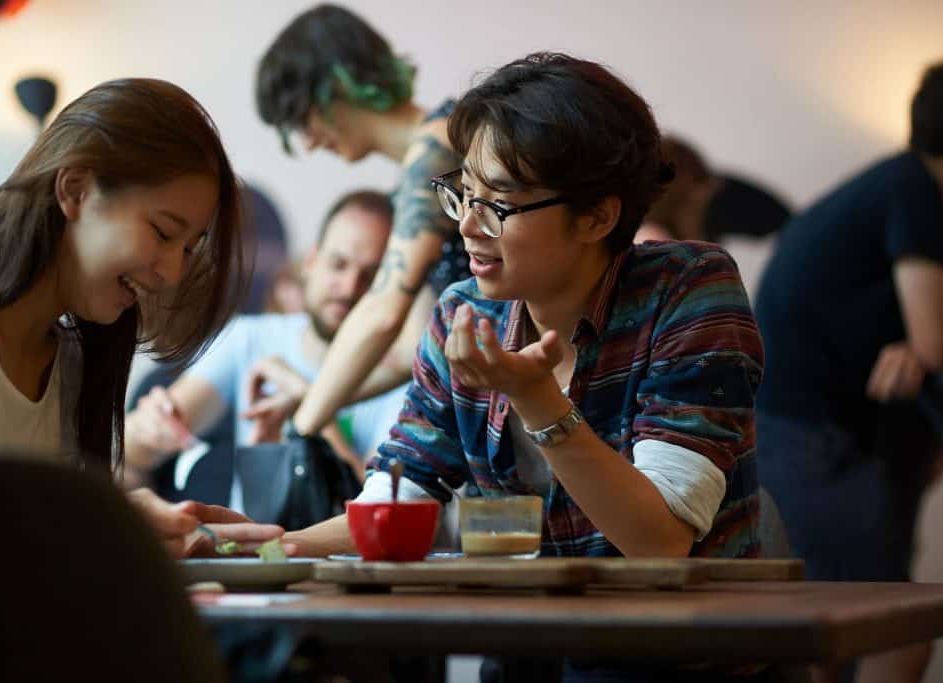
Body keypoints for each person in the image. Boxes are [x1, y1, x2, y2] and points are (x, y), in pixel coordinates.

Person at [282, 51, 765, 680]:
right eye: (463, 196)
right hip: (524, 659)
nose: (469, 228)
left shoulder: (688, 290)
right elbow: (401, 493)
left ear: (598, 215)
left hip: (674, 662)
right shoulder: (463, 313)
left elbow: (661, 539)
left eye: (500, 205)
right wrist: (262, 544)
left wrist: (538, 400)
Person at [0, 77, 285, 558]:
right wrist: (104, 523)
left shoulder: (73, 363)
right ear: (75, 190)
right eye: (161, 231)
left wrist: (124, 531)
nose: (171, 274)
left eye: (188, 249)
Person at [755, 57, 943, 683]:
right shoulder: (917, 192)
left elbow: (921, 338)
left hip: (788, 433)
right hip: (809, 439)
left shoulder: (891, 185)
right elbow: (939, 342)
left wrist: (916, 343)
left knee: (835, 634)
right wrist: (930, 344)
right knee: (895, 632)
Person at [256, 4, 468, 440]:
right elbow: (414, 346)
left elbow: (382, 313)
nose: (310, 143)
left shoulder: (437, 146)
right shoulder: (415, 172)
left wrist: (305, 423)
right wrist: (314, 396)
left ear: (336, 86)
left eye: (302, 119)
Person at [124, 190, 407, 489]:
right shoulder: (248, 337)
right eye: (338, 264)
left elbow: (382, 508)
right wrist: (149, 429)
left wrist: (308, 408)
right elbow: (133, 451)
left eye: (372, 275)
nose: (350, 287)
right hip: (245, 537)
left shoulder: (401, 375)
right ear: (311, 262)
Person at [634, 135, 791, 244]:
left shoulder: (659, 244)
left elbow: (780, 219)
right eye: (700, 180)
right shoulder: (658, 247)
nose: (711, 188)